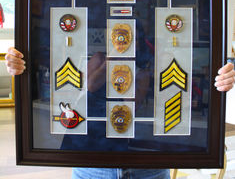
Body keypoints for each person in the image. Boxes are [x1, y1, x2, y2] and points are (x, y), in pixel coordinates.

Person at [5, 47, 235, 179]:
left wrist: (128, 72)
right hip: (93, 156)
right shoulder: (99, 56)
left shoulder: (142, 69)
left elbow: (133, 101)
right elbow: (91, 86)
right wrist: (109, 65)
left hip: (145, 160)